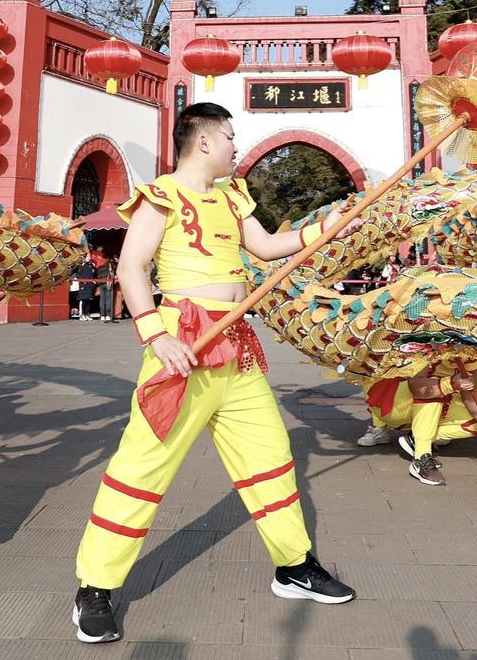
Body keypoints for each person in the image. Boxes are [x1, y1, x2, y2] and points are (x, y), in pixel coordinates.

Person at [71, 102, 357, 644]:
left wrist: (329, 224)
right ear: (203, 141)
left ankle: (294, 565)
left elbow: (269, 248)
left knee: (270, 459)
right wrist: (155, 335)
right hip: (182, 344)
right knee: (142, 466)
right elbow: (133, 268)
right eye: (229, 135)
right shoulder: (161, 195)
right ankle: (95, 586)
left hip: (235, 345)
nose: (234, 144)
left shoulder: (233, 196)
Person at [356, 370, 477, 486]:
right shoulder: (426, 342)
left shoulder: (466, 350)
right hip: (393, 404)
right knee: (434, 387)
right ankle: (421, 458)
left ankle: (417, 439)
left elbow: (469, 394)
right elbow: (418, 387)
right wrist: (452, 384)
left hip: (429, 403)